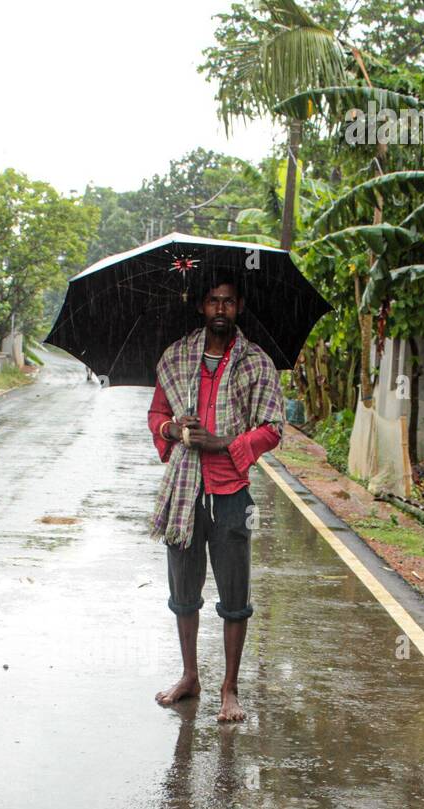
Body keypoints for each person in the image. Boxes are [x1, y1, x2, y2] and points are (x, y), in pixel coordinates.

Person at [148, 268, 284, 722]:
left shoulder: (256, 363)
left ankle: (229, 687)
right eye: (212, 301)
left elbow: (272, 429)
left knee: (235, 596)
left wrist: (223, 442)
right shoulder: (177, 357)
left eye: (228, 301)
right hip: (184, 492)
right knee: (183, 591)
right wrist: (173, 429)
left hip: (230, 494)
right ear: (201, 307)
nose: (220, 309)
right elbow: (157, 415)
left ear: (239, 307)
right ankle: (190, 676)